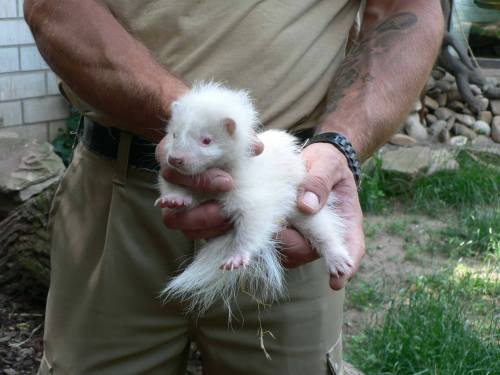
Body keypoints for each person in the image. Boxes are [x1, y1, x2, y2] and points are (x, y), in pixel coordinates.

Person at [25, 0, 444, 374]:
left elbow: (408, 9)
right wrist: (185, 118)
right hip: (117, 198)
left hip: (290, 214)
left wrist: (341, 144)